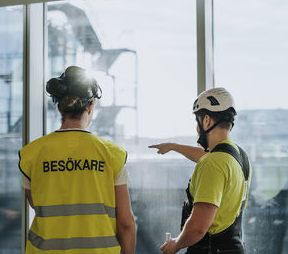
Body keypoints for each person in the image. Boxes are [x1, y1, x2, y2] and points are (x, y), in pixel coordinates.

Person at [18, 66, 136, 254]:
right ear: (90, 106)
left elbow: (36, 202)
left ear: (59, 107)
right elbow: (125, 223)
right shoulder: (112, 154)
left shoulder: (32, 153)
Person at [149, 87, 252, 254]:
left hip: (210, 249)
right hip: (234, 248)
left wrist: (175, 245)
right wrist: (173, 146)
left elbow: (198, 227)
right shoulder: (240, 156)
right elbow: (207, 156)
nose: (197, 129)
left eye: (197, 122)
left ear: (206, 121)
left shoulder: (213, 164)